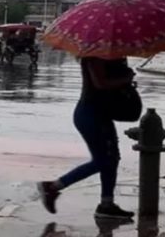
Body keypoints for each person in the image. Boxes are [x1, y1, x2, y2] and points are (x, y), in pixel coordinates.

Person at [37, 57, 135, 219]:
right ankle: (52, 187)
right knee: (103, 160)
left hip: (101, 114)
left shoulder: (110, 54)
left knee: (111, 158)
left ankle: (107, 204)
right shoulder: (95, 55)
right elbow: (100, 83)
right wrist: (126, 78)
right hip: (91, 114)